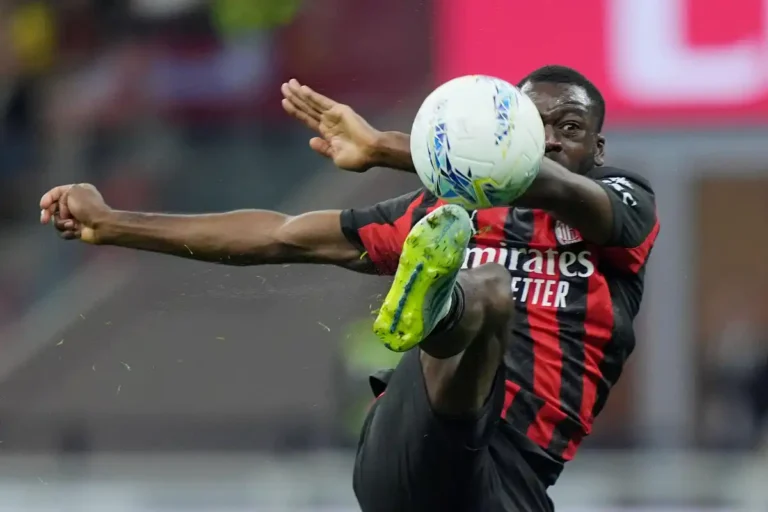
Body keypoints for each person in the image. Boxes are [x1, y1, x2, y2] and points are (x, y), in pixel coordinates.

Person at [40, 65, 659, 512]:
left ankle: (443, 298)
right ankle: (441, 305)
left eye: (568, 126)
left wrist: (386, 147)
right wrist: (114, 224)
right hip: (412, 442)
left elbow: (543, 181)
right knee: (490, 288)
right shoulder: (440, 210)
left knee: (485, 281)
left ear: (598, 147)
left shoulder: (624, 207)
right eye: (530, 124)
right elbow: (280, 235)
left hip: (512, 480)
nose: (547, 139)